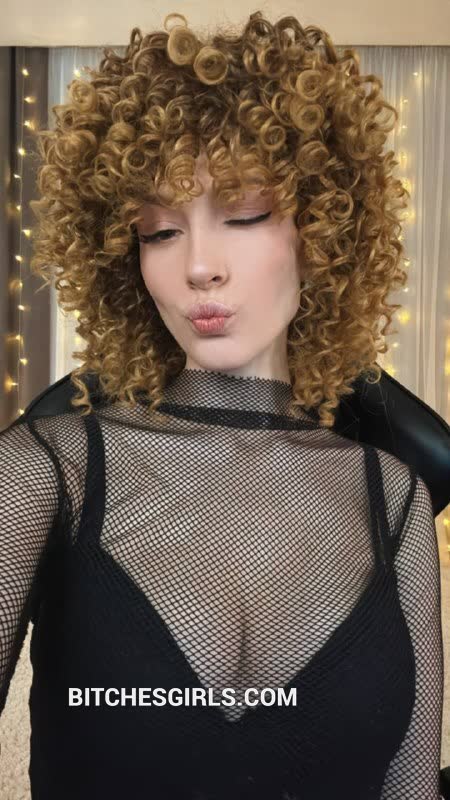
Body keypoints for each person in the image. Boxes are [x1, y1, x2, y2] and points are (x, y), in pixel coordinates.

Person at [0, 10, 444, 800]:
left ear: (323, 231)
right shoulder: (44, 472)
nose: (199, 266)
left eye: (244, 214)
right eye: (158, 232)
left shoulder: (396, 501)